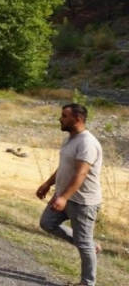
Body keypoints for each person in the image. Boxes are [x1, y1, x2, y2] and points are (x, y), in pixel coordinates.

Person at [37, 103, 103, 286]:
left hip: (83, 202)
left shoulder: (87, 143)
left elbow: (80, 173)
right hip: (65, 195)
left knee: (83, 243)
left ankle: (87, 282)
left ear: (77, 119)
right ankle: (92, 246)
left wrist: (63, 197)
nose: (60, 118)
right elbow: (65, 167)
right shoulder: (71, 139)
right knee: (47, 223)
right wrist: (48, 184)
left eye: (64, 116)